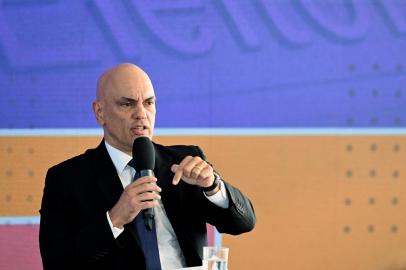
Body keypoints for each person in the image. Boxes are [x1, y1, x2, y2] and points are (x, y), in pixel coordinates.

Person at [39, 63, 256, 270]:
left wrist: (213, 186)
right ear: (100, 113)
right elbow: (57, 262)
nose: (141, 114)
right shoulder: (67, 178)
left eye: (149, 103)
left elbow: (243, 223)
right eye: (127, 104)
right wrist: (114, 218)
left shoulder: (184, 160)